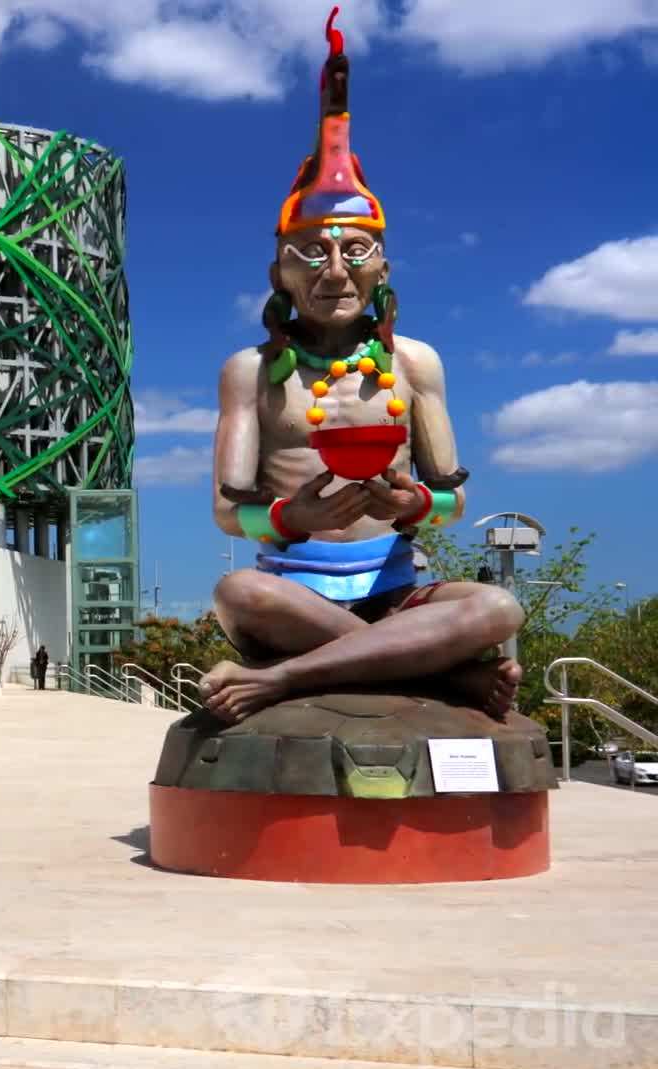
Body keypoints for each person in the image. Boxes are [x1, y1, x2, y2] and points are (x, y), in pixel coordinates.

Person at [200, 7, 522, 723]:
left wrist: (415, 505)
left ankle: (285, 678)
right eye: (311, 254)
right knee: (238, 595)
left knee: (497, 606)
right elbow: (227, 512)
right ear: (279, 273)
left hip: (397, 588)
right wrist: (293, 515)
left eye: (355, 252)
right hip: (293, 592)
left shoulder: (415, 363)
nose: (335, 272)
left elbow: (453, 497)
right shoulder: (249, 370)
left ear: (382, 268)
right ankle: (442, 675)